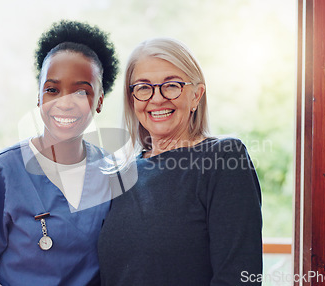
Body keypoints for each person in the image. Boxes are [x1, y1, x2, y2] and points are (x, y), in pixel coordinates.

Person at [0, 20, 119, 285]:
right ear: (39, 97)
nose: (65, 103)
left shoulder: (113, 172)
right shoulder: (0, 173)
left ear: (99, 101)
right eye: (52, 90)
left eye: (81, 91)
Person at [98, 37, 263, 285]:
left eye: (171, 85)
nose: (156, 98)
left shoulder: (224, 158)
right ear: (132, 99)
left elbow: (240, 278)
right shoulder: (119, 174)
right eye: (143, 87)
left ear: (196, 95)